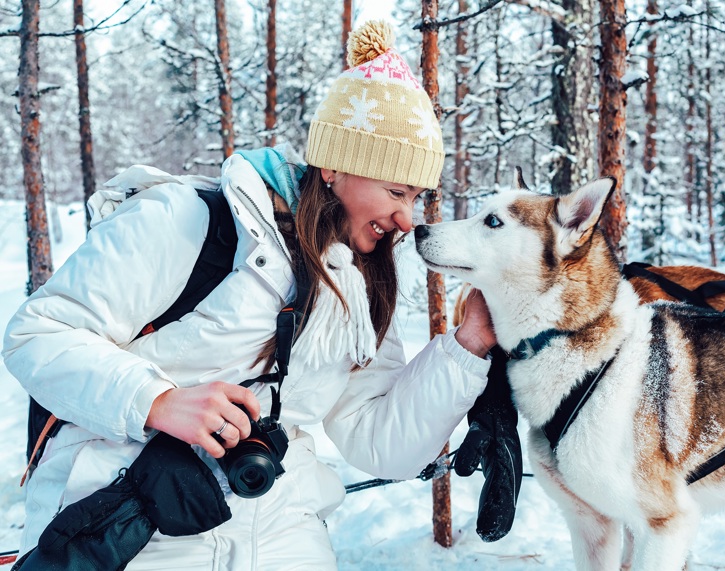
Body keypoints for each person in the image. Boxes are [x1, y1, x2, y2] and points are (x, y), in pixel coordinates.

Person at [3, 20, 497, 570]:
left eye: (417, 196)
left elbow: (380, 441)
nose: (407, 219)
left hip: (280, 527)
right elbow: (36, 335)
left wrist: (467, 345)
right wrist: (157, 402)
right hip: (130, 521)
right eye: (397, 191)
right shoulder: (189, 222)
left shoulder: (357, 287)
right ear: (334, 166)